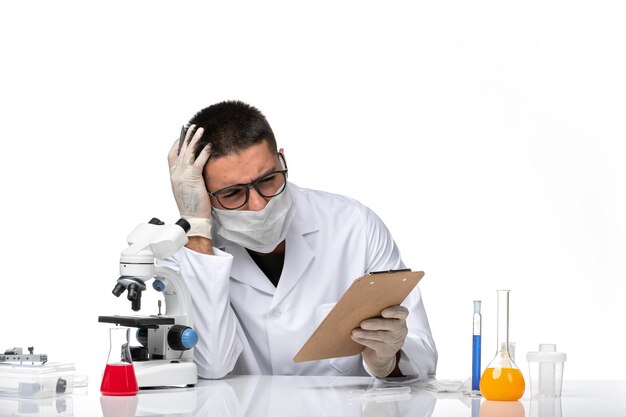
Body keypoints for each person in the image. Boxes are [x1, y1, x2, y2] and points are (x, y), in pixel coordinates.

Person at [162, 100, 437, 379]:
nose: (259, 205)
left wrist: (388, 360)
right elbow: (211, 366)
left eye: (268, 179)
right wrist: (196, 228)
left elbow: (424, 360)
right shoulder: (181, 252)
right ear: (203, 194)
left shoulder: (354, 225)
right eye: (233, 193)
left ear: (282, 160)